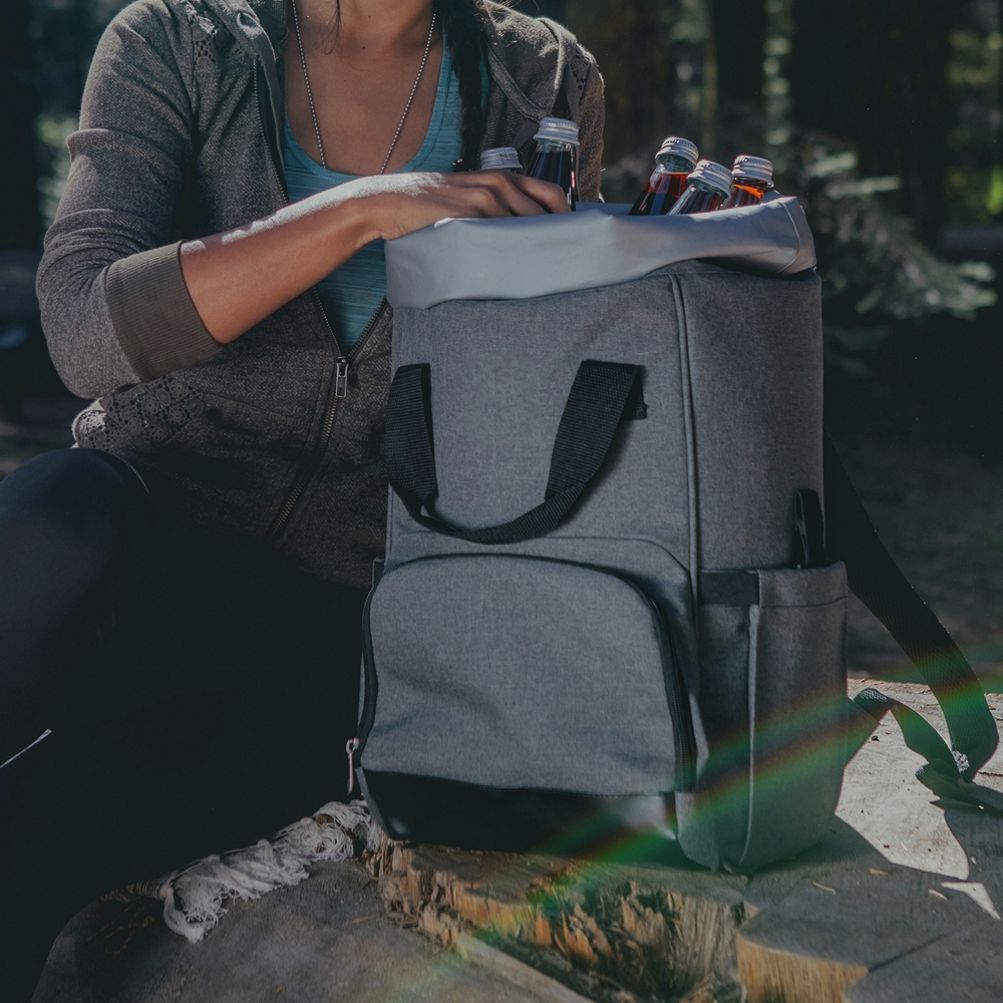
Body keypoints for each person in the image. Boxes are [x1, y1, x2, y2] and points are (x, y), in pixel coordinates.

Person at [1, 0, 604, 995]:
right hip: (135, 560)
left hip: (335, 633)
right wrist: (364, 208)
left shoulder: (538, 77)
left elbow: (536, 389)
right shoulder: (178, 42)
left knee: (29, 839)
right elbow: (83, 330)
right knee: (61, 511)